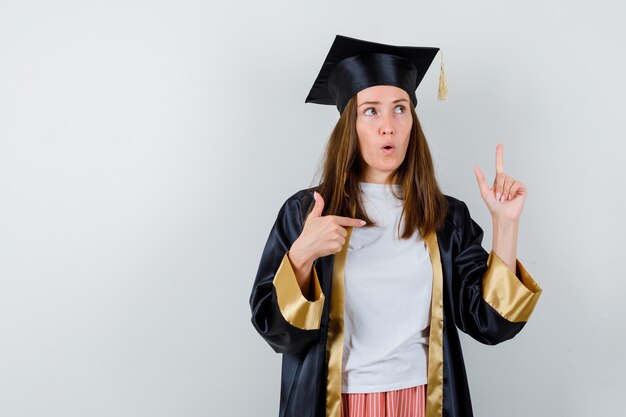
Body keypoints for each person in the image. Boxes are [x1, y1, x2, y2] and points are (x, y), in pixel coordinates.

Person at [249, 34, 542, 417]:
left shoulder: (445, 218)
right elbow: (276, 331)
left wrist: (506, 226)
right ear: (348, 125)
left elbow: (490, 324)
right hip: (336, 403)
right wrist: (302, 255)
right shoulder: (307, 213)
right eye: (371, 110)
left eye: (400, 109)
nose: (388, 126)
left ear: (412, 122)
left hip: (424, 400)